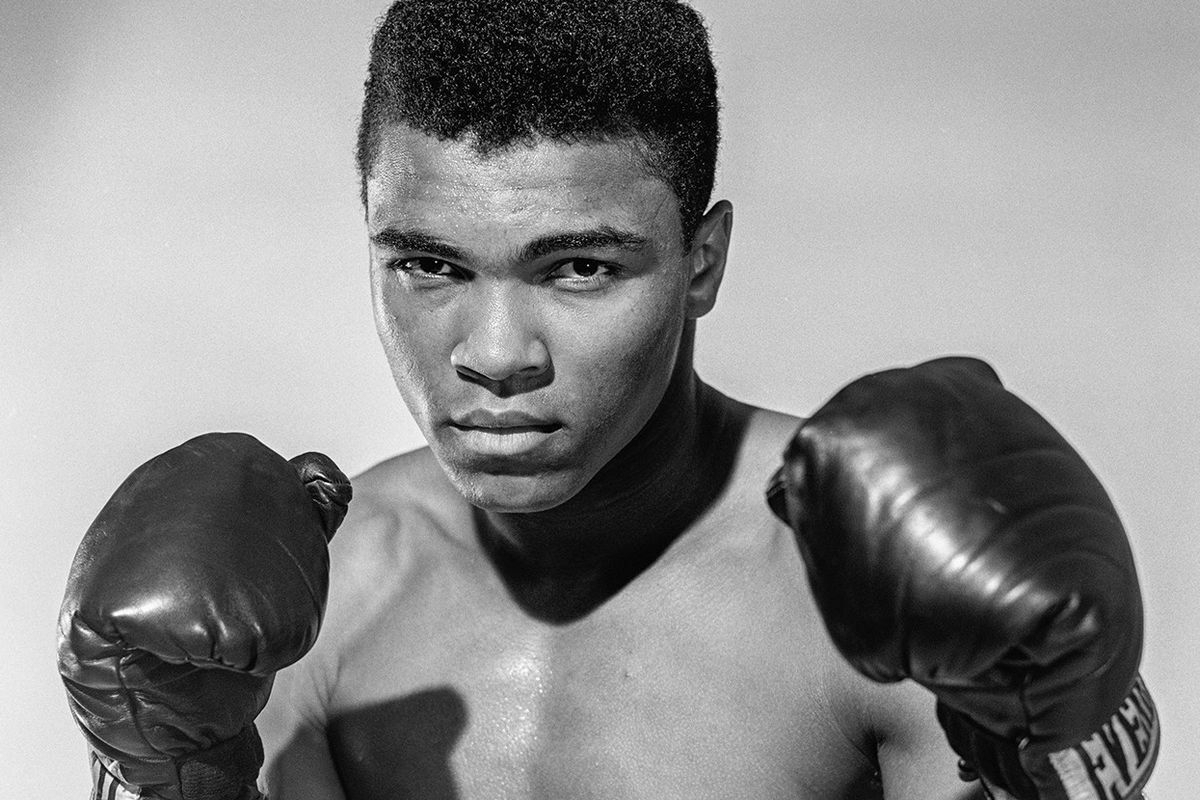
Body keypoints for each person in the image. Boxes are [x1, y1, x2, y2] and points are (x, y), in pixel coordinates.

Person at [57, 2, 1158, 799]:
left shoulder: (870, 597)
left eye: (579, 267)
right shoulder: (321, 594)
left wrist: (1048, 758)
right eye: (430, 264)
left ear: (703, 261)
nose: (494, 355)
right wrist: (178, 780)